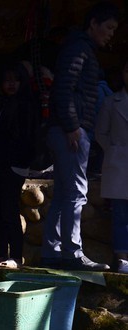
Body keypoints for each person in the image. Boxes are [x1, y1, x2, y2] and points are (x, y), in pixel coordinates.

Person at [40, 2, 119, 271]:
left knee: (64, 191)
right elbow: (63, 87)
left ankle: (53, 251)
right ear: (94, 23)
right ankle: (72, 253)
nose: (111, 34)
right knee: (75, 192)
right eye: (108, 27)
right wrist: (73, 125)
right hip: (71, 130)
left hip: (63, 129)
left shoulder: (79, 47)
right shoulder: (79, 48)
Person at [0, 64, 39, 269]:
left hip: (12, 167)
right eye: (7, 80)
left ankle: (15, 256)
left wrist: (0, 164)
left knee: (9, 212)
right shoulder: (4, 105)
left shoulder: (26, 106)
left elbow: (19, 141)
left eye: (15, 79)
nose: (11, 84)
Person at [95, 57, 128, 273]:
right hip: (119, 164)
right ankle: (122, 258)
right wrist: (115, 151)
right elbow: (100, 133)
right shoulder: (111, 101)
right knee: (120, 213)